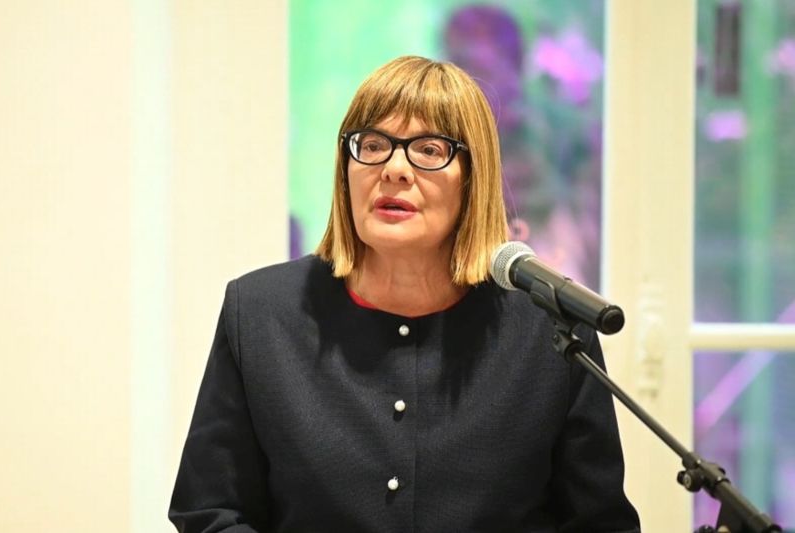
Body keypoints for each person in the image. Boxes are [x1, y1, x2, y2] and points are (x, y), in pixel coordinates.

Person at [169, 55, 640, 532]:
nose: (394, 169)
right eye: (373, 145)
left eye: (429, 150)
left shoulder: (550, 330)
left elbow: (601, 524)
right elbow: (210, 513)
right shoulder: (260, 312)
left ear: (474, 179)